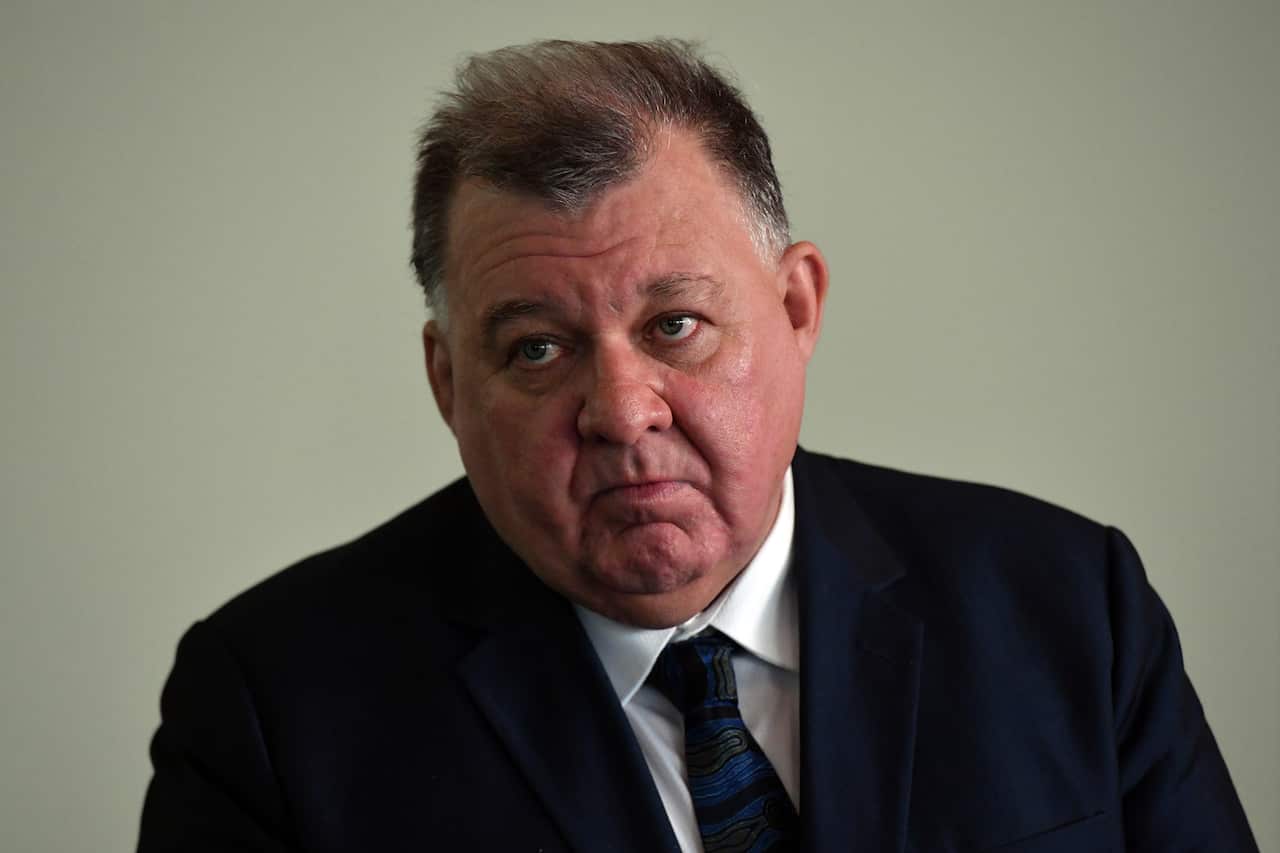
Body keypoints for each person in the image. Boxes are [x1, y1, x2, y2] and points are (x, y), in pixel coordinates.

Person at [137, 39, 1257, 852]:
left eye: (674, 325)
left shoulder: (1066, 603)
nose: (622, 411)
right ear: (446, 380)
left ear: (797, 305)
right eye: (535, 350)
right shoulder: (274, 705)